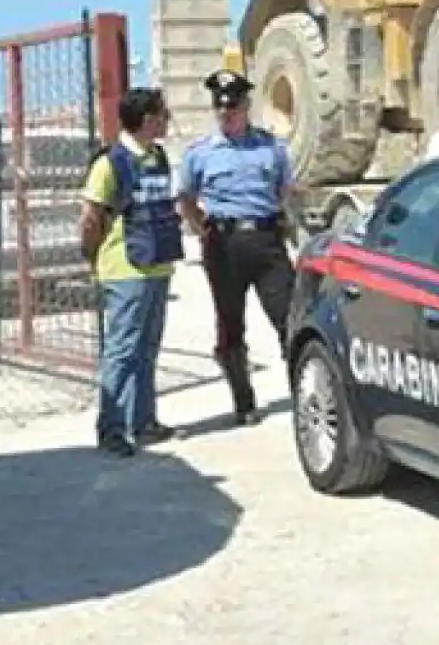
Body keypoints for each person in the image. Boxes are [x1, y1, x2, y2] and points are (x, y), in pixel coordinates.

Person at [176, 69, 301, 426]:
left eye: (233, 108)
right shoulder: (200, 154)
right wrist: (204, 230)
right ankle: (243, 401)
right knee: (230, 324)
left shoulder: (271, 148)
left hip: (265, 240)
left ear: (247, 107)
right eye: (220, 109)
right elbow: (186, 198)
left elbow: (283, 191)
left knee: (288, 317)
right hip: (224, 244)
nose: (226, 115)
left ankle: (302, 392)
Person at [79, 86, 182, 457]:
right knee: (122, 350)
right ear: (148, 119)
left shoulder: (157, 157)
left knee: (148, 348)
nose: (168, 120)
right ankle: (111, 428)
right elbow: (91, 218)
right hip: (125, 270)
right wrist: (93, 258)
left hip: (157, 267)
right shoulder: (111, 162)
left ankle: (143, 421)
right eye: (163, 113)